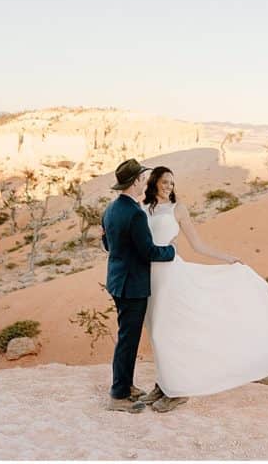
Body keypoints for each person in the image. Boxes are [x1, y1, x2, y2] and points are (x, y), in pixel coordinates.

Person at [135, 166, 268, 412]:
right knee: (155, 331)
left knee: (166, 332)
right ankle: (163, 386)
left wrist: (227, 258)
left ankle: (177, 391)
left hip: (171, 276)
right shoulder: (144, 209)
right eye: (165, 182)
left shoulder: (178, 209)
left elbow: (197, 244)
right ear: (154, 183)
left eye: (172, 183)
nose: (169, 186)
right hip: (149, 276)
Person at [100, 158, 176, 413]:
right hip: (133, 286)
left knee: (126, 338)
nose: (145, 182)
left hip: (117, 280)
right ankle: (118, 395)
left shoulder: (110, 209)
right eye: (142, 178)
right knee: (128, 341)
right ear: (135, 183)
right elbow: (148, 252)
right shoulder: (134, 213)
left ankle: (127, 386)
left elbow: (107, 244)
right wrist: (171, 251)